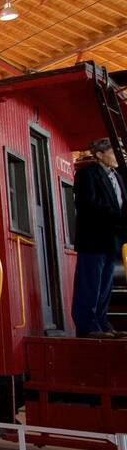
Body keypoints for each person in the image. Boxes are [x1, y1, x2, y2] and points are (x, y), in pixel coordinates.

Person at [73, 138, 127, 339]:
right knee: (90, 284)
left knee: (105, 286)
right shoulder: (87, 175)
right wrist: (119, 217)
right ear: (99, 154)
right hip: (93, 239)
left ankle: (103, 324)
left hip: (111, 240)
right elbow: (89, 206)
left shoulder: (119, 178)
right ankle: (88, 326)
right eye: (115, 151)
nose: (119, 154)